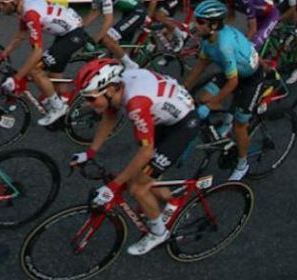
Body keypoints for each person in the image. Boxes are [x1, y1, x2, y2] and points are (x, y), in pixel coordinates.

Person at [70, 59, 200, 256]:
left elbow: (146, 152)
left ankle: (158, 234)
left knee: (137, 186)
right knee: (144, 175)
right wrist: (90, 152)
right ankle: (173, 200)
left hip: (182, 125)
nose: (88, 104)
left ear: (111, 89)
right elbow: (110, 117)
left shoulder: (135, 103)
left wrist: (113, 187)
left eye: (91, 98)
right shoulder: (116, 91)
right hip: (164, 117)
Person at [181, 0, 263, 182]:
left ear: (214, 25)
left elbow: (233, 82)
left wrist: (214, 102)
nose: (196, 25)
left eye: (201, 22)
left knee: (240, 125)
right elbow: (200, 66)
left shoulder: (224, 46)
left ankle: (242, 164)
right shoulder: (208, 39)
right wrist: (182, 90)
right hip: (232, 73)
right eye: (197, 20)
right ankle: (223, 125)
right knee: (202, 99)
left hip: (250, 79)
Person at [0, 0, 84, 125]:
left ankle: (58, 108)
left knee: (35, 70)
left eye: (3, 3)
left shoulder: (30, 14)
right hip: (65, 33)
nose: (0, 7)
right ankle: (66, 104)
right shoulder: (24, 5)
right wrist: (2, 55)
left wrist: (17, 79)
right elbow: (21, 34)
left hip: (73, 35)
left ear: (15, 0)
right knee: (54, 75)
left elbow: (37, 52)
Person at [74, 0, 142, 69]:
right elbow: (95, 11)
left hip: (137, 12)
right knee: (120, 52)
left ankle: (132, 67)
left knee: (107, 39)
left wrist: (95, 40)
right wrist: (80, 26)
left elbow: (109, 20)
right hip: (128, 13)